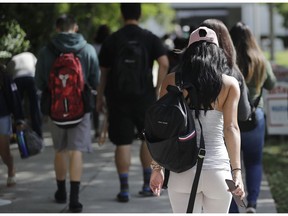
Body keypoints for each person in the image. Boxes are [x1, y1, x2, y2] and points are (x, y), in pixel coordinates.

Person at [149, 26, 245, 213]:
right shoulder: (229, 84)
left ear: (189, 53)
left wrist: (157, 167)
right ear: (217, 53)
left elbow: (161, 127)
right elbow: (231, 128)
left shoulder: (171, 81)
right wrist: (237, 172)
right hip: (218, 171)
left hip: (182, 169)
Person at [97, 3, 169, 202]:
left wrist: (99, 98)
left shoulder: (112, 39)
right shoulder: (149, 38)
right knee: (146, 139)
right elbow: (164, 62)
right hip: (145, 97)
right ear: (139, 14)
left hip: (117, 98)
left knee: (122, 142)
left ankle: (124, 189)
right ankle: (147, 185)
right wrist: (157, 90)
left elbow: (104, 73)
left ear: (121, 14)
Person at [35, 14, 100, 213]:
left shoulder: (47, 51)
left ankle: (61, 192)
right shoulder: (87, 49)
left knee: (60, 151)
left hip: (55, 110)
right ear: (76, 27)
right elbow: (95, 80)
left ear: (57, 28)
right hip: (80, 108)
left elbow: (39, 83)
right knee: (76, 151)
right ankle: (74, 200)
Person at [229, 22, 277, 213]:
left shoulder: (227, 60)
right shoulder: (260, 60)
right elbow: (272, 84)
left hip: (230, 119)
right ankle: (252, 204)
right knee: (254, 162)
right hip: (255, 117)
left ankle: (233, 207)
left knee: (231, 165)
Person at [200, 19, 251, 122]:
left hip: (185, 134)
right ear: (226, 41)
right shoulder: (233, 75)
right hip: (220, 134)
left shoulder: (180, 72)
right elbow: (243, 114)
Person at [6, 52, 43, 138]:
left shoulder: (13, 59)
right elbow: (38, 67)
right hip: (31, 76)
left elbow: (8, 74)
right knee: (34, 105)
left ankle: (18, 130)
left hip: (17, 79)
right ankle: (38, 132)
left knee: (18, 104)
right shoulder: (30, 55)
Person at [0, 64, 25, 187]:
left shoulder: (4, 75)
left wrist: (19, 118)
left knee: (4, 152)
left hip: (2, 116)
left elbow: (13, 96)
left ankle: (11, 169)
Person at [92, 24, 111, 139]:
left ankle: (97, 129)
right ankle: (107, 128)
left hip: (96, 78)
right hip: (108, 78)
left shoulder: (93, 47)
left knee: (96, 106)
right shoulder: (110, 45)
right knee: (109, 105)